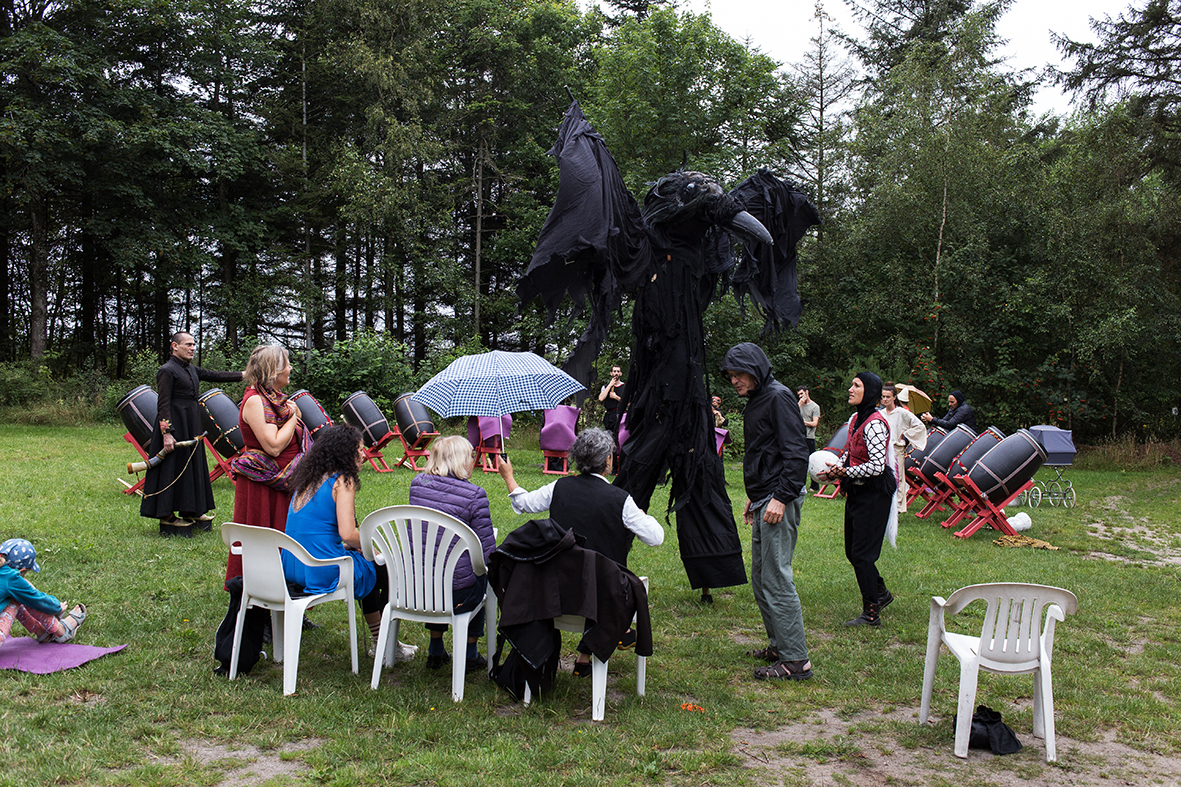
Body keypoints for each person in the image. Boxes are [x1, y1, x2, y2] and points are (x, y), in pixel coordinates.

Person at [497, 428, 664, 676]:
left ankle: (585, 657)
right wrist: (637, 514)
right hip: (602, 596)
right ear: (608, 460)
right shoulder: (620, 500)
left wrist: (508, 476)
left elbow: (524, 503)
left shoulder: (559, 487)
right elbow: (656, 537)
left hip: (556, 590)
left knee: (588, 567)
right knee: (609, 577)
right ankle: (613, 635)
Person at [721, 343, 812, 681]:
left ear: (756, 369)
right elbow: (765, 451)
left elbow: (796, 451)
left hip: (780, 499)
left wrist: (781, 497)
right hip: (765, 497)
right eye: (730, 376)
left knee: (776, 578)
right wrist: (756, 495)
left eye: (739, 374)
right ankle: (779, 645)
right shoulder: (758, 399)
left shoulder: (778, 396)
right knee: (762, 579)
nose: (734, 381)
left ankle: (795, 661)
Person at [280, 425, 403, 662]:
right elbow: (348, 533)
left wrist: (354, 547)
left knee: (368, 565)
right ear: (345, 453)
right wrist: (373, 544)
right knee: (383, 567)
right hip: (321, 569)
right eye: (360, 449)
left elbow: (315, 531)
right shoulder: (343, 481)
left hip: (292, 565)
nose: (364, 454)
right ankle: (386, 642)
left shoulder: (309, 478)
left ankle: (382, 641)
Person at [140, 331, 243, 537]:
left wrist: (243, 375)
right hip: (175, 426)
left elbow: (215, 375)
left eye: (194, 344)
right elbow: (163, 404)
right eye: (188, 344)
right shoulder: (167, 371)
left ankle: (190, 510)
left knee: (191, 466)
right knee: (172, 467)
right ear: (174, 346)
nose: (192, 348)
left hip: (191, 423)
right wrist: (167, 433)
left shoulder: (191, 369)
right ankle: (166, 515)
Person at [408, 435, 497, 672]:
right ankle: (469, 653)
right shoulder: (475, 495)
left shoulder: (418, 484)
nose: (473, 460)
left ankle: (435, 648)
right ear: (459, 460)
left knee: (434, 565)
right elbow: (488, 552)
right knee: (481, 576)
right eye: (470, 456)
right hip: (458, 592)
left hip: (417, 585)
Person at [817, 372, 898, 628]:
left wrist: (845, 472)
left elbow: (876, 466)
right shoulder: (856, 419)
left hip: (874, 495)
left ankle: (871, 614)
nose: (850, 389)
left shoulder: (875, 423)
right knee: (853, 552)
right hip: (858, 493)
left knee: (863, 555)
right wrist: (835, 469)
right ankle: (882, 593)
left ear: (870, 392)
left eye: (856, 385)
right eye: (851, 384)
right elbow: (850, 453)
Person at [226, 345, 308, 583]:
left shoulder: (273, 399)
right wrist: (293, 416)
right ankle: (259, 604)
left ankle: (287, 599)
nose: (290, 368)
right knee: (264, 540)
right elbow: (273, 446)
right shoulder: (255, 401)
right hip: (265, 482)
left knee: (287, 537)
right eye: (286, 364)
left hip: (284, 481)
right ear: (273, 370)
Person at [0, 538, 87, 648]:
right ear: (22, 570)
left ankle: (43, 634)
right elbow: (36, 599)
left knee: (16, 593)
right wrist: (57, 607)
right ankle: (61, 631)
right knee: (18, 595)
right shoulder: (11, 578)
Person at [881, 382, 928, 514]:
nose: (885, 399)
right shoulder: (881, 413)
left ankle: (897, 507)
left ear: (894, 397)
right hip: (883, 450)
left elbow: (919, 426)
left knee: (898, 477)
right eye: (883, 396)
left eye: (888, 397)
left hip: (897, 449)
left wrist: (905, 436)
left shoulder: (902, 412)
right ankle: (884, 505)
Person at [797, 386, 821, 490]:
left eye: (802, 394)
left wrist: (803, 422)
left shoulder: (815, 407)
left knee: (812, 461)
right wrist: (800, 403)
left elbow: (815, 423)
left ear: (807, 392)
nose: (801, 396)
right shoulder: (799, 405)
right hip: (799, 436)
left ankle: (814, 486)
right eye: (799, 395)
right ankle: (799, 484)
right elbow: (791, 413)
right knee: (799, 461)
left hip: (809, 437)